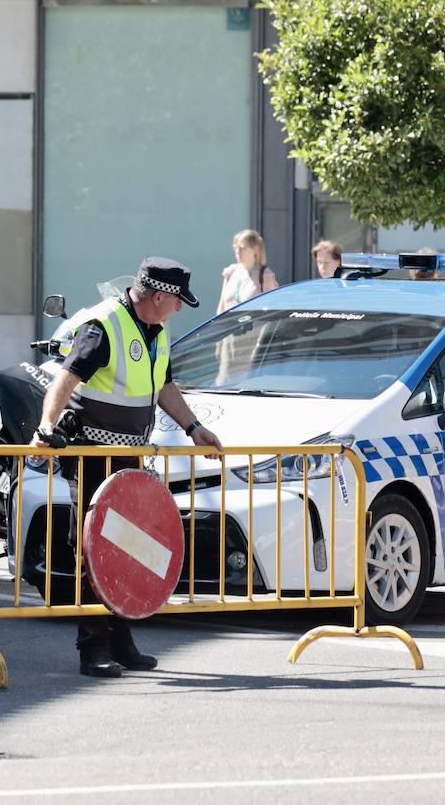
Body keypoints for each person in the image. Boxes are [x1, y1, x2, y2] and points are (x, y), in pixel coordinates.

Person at [34, 257, 223, 678]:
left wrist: (194, 427)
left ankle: (121, 642)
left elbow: (164, 386)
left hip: (131, 457)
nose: (180, 309)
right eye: (178, 302)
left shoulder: (157, 329)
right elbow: (66, 379)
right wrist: (46, 425)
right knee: (95, 549)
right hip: (92, 455)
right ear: (158, 296)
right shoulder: (104, 326)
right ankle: (93, 647)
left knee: (126, 549)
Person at [217, 229, 278, 314]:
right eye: (235, 247)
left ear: (255, 249)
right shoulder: (230, 272)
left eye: (242, 247)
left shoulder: (265, 275)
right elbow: (221, 309)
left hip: (254, 326)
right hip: (230, 326)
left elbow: (271, 313)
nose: (238, 252)